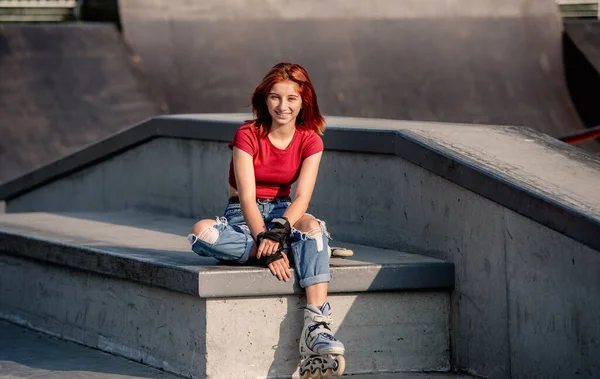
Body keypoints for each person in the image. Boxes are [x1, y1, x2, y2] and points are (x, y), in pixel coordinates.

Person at [187, 62, 345, 377]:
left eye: (291, 99)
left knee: (311, 229)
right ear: (265, 99)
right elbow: (246, 197)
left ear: (304, 102)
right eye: (275, 98)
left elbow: (301, 199)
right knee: (202, 233)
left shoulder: (310, 141)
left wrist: (279, 231)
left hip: (285, 211)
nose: (282, 106)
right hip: (244, 217)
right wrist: (268, 243)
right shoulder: (247, 134)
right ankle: (296, 252)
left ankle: (317, 327)